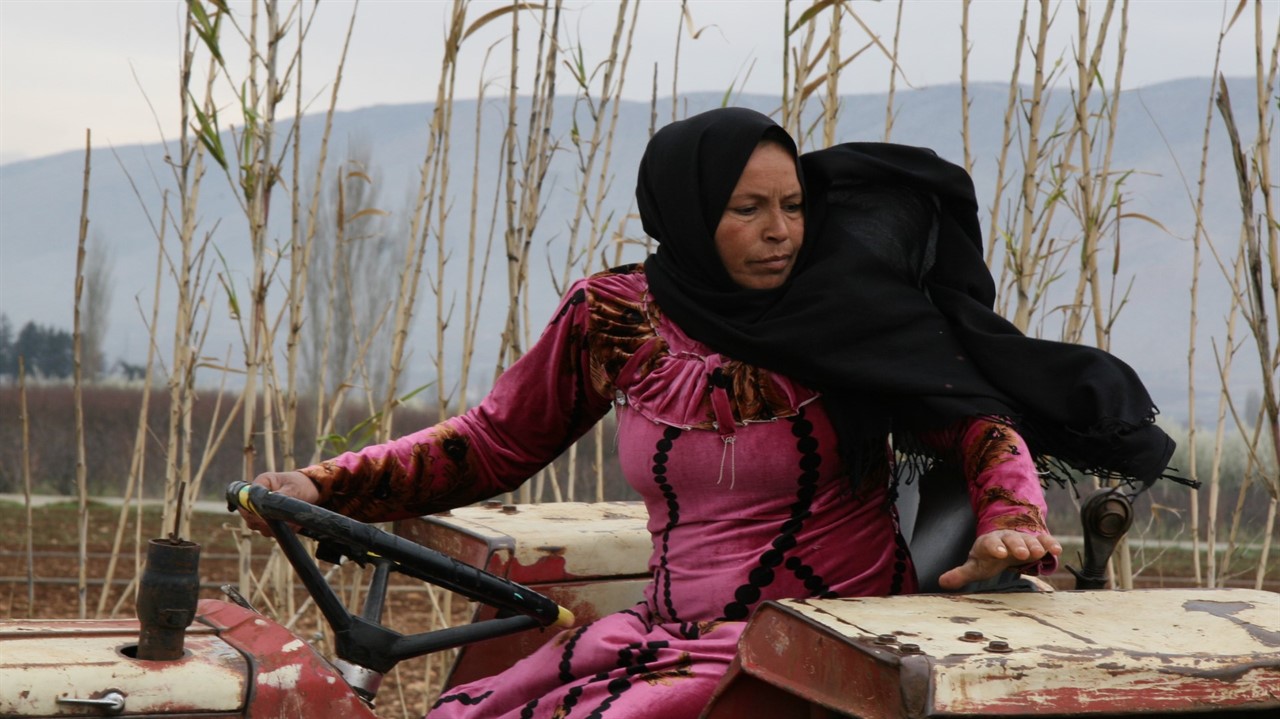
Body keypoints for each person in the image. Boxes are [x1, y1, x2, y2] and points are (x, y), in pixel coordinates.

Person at [244, 107, 1175, 718]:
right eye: (748, 209)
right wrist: (325, 483)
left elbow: (976, 424)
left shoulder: (847, 320)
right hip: (659, 637)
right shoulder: (612, 319)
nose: (781, 233)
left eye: (793, 206)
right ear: (688, 213)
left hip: (816, 651)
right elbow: (491, 441)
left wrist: (1013, 519)